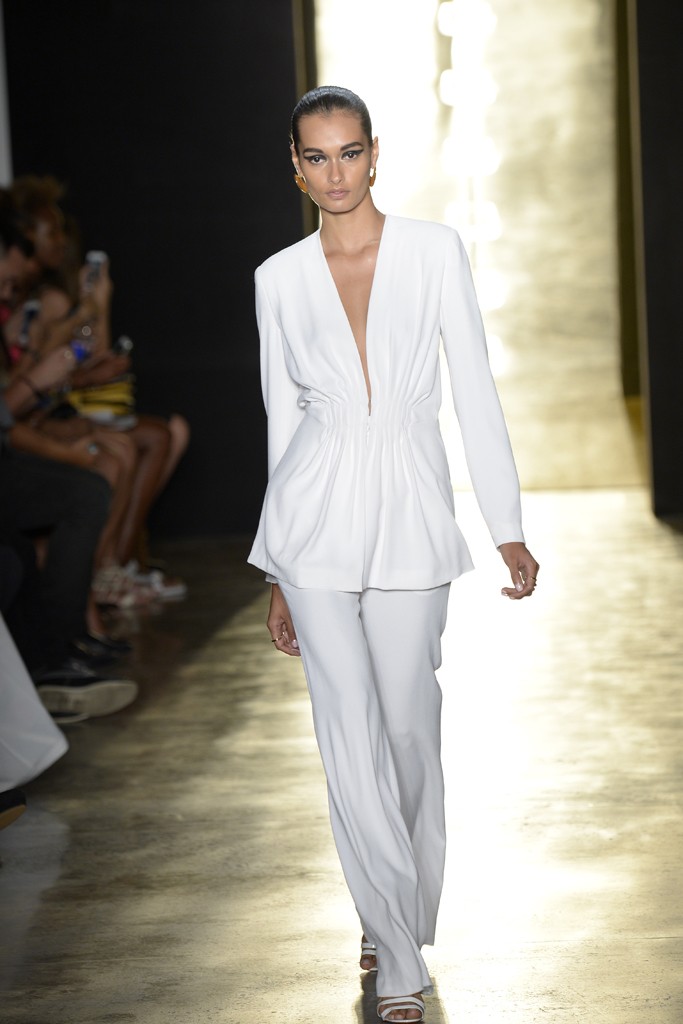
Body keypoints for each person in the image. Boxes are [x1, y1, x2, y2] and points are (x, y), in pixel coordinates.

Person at [247, 87, 540, 1023]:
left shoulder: (434, 251)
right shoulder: (277, 279)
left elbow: (475, 388)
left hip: (411, 511)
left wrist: (504, 522)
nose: (334, 172)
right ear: (296, 167)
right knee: (347, 735)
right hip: (312, 523)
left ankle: (400, 909)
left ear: (375, 154)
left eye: (348, 152)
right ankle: (395, 952)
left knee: (410, 728)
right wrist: (274, 568)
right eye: (316, 156)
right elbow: (281, 421)